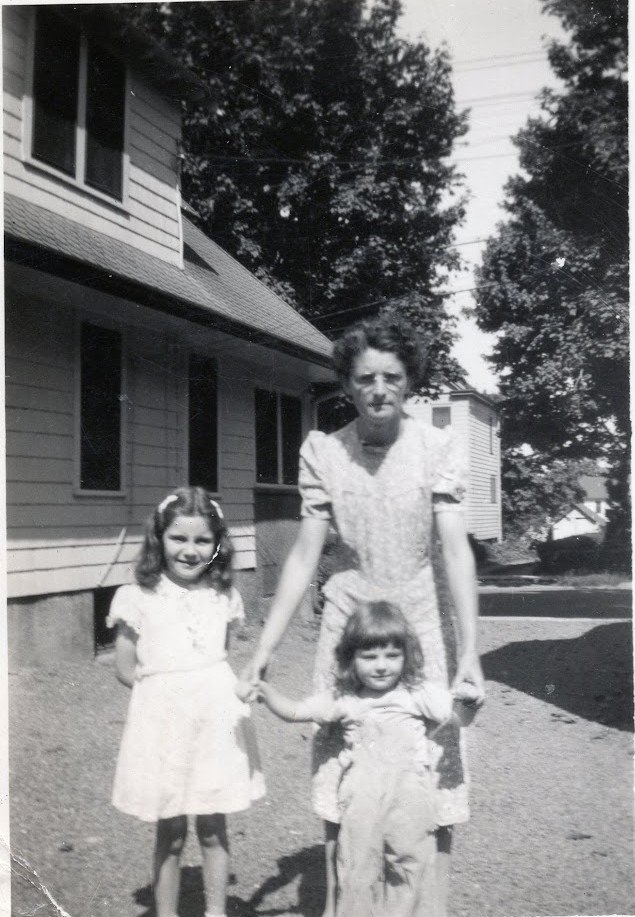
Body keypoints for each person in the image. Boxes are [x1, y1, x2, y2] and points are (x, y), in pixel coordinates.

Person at [243, 315, 484, 917]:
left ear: (410, 383)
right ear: (347, 386)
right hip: (350, 624)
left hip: (422, 620)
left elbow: (455, 550)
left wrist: (473, 650)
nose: (380, 389)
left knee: (433, 765)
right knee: (340, 763)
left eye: (392, 377)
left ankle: (429, 906)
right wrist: (262, 651)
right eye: (366, 378)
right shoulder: (325, 451)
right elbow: (304, 555)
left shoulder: (435, 447)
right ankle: (342, 907)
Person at [255, 602, 480, 917]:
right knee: (358, 868)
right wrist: (266, 693)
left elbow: (458, 719)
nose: (381, 666)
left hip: (410, 798)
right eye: (369, 656)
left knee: (411, 865)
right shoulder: (345, 698)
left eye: (392, 655)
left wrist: (469, 704)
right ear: (351, 659)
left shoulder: (418, 693)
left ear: (406, 655)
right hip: (361, 800)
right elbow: (296, 711)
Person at [108, 487, 265, 917]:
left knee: (213, 826)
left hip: (212, 725)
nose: (191, 550)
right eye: (179, 538)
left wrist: (235, 691)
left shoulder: (223, 597)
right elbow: (125, 667)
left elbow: (220, 659)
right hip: (164, 724)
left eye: (202, 541)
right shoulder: (138, 596)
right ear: (159, 539)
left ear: (217, 545)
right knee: (171, 831)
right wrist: (159, 696)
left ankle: (216, 912)